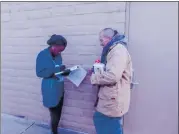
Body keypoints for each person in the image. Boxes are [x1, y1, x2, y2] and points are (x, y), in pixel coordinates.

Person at [90, 28, 133, 134]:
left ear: (108, 38)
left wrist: (94, 77)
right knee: (105, 125)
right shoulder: (113, 49)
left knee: (107, 126)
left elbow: (113, 76)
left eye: (101, 40)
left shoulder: (117, 50)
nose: (100, 44)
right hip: (110, 99)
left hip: (112, 101)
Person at [36, 34, 71, 134]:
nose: (60, 53)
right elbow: (39, 72)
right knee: (54, 114)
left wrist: (65, 72)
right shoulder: (42, 55)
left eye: (62, 51)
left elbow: (58, 69)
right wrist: (57, 69)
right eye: (59, 50)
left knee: (58, 112)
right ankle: (54, 132)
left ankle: (54, 130)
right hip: (50, 88)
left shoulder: (58, 55)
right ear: (53, 46)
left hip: (59, 87)